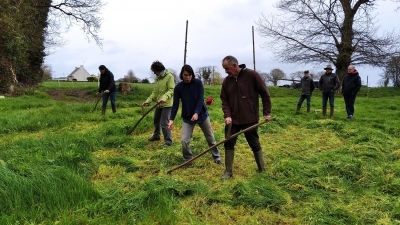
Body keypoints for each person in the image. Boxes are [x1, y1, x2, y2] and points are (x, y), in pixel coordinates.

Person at [220, 55, 272, 179]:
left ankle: (261, 169)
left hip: (250, 118)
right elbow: (224, 100)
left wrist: (267, 112)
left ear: (234, 65)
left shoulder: (252, 75)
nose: (225, 71)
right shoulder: (227, 81)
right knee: (228, 143)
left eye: (226, 68)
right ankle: (228, 171)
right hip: (233, 120)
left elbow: (265, 94)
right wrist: (227, 116)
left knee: (254, 143)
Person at [168, 65, 222, 164]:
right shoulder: (178, 88)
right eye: (185, 75)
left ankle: (217, 157)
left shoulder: (198, 83)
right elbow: (175, 105)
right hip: (188, 117)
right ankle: (188, 159)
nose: (188, 77)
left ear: (192, 75)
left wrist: (196, 112)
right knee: (184, 140)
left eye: (190, 75)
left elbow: (200, 100)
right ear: (182, 75)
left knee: (210, 137)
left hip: (201, 114)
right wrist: (171, 119)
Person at [142, 61, 174, 147]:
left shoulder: (169, 76)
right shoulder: (157, 79)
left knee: (164, 123)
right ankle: (156, 136)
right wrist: (147, 101)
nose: (153, 73)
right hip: (159, 104)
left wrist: (164, 98)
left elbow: (171, 90)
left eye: (154, 71)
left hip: (167, 104)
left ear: (158, 70)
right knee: (156, 120)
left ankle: (168, 141)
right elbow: (154, 92)